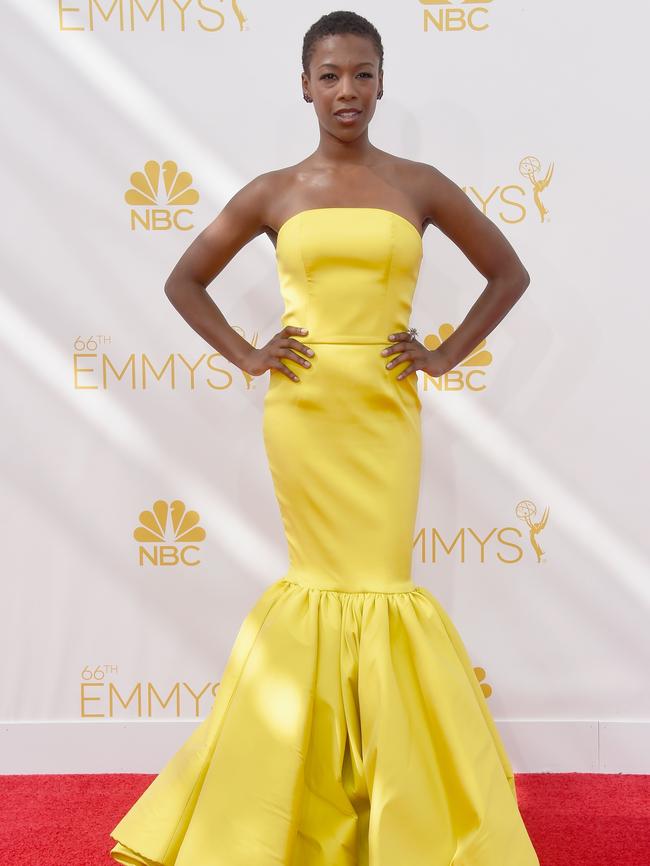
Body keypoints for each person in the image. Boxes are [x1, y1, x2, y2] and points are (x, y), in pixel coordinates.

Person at [109, 10, 539, 866]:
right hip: (304, 412)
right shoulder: (274, 191)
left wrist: (446, 353)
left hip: (383, 408)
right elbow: (184, 279)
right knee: (316, 586)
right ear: (304, 85)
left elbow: (509, 271)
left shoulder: (419, 184)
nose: (348, 91)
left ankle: (396, 819)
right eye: (331, 75)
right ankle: (289, 815)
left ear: (384, 83)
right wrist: (247, 353)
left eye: (364, 74)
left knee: (382, 586)